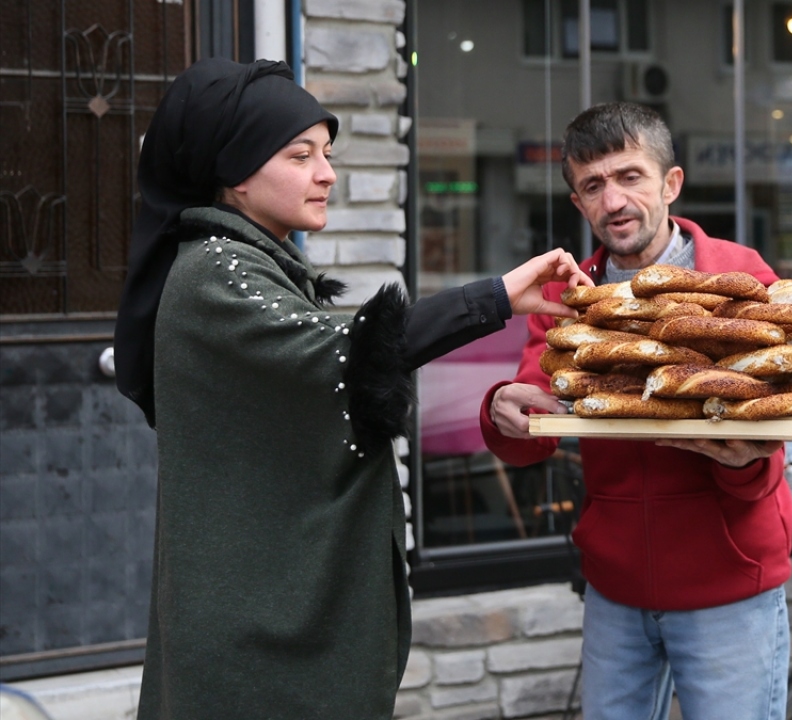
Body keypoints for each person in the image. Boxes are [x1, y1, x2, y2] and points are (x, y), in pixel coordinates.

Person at [112, 58, 591, 719]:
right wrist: (493, 299)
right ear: (235, 171)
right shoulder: (217, 273)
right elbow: (343, 361)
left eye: (327, 153)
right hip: (251, 654)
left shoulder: (251, 262)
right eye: (300, 155)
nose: (327, 174)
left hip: (258, 628)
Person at [480, 102, 792, 719]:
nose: (614, 201)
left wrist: (741, 464)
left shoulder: (743, 278)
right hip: (616, 590)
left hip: (727, 581)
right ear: (577, 203)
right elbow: (532, 433)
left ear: (670, 183)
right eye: (593, 186)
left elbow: (772, 434)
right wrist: (500, 410)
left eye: (629, 177)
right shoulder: (569, 300)